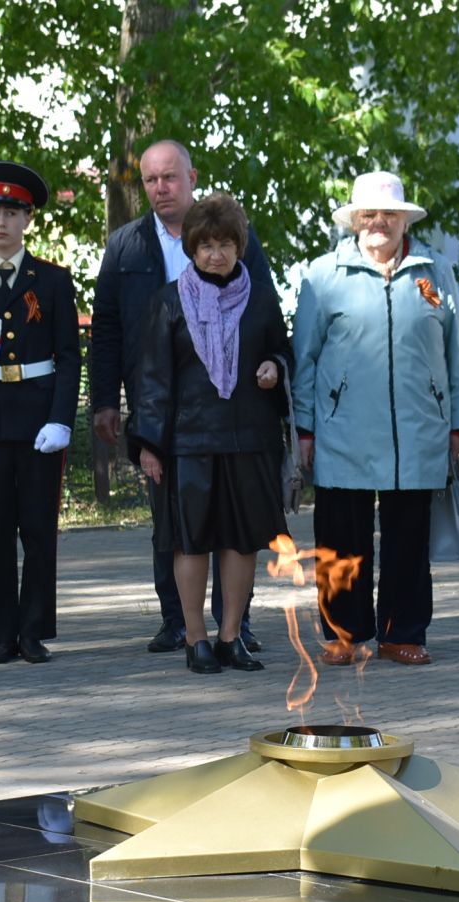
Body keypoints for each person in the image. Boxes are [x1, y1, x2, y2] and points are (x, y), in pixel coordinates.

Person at [90, 139, 279, 655]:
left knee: (236, 530)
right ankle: (178, 622)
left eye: (169, 177)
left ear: (191, 177)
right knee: (175, 527)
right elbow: (108, 330)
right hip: (171, 417)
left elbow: (270, 328)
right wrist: (112, 406)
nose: (159, 188)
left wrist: (273, 370)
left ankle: (232, 628)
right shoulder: (126, 246)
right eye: (150, 180)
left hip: (239, 421)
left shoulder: (244, 253)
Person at [292, 171, 459, 667]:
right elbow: (303, 359)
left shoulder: (435, 275)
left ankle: (403, 632)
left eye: (389, 214)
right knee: (340, 540)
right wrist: (305, 429)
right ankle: (343, 634)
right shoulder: (323, 276)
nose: (379, 223)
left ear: (404, 219)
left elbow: (458, 353)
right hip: (342, 432)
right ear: (354, 220)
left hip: (418, 433)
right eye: (369, 214)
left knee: (408, 540)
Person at [130, 193, 293, 674]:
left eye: (224, 244)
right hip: (187, 444)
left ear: (239, 246)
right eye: (205, 246)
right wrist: (149, 445)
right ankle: (195, 639)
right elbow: (152, 379)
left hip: (248, 440)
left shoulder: (261, 298)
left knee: (242, 542)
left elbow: (285, 353)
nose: (215, 254)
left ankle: (230, 637)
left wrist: (274, 367)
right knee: (191, 542)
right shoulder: (168, 302)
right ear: (192, 249)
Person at [0, 161, 82, 665]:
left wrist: (61, 418)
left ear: (28, 219)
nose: (1, 221)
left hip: (38, 416)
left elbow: (69, 355)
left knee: (39, 527)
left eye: (11, 212)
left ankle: (33, 630)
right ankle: (0, 632)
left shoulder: (51, 280)